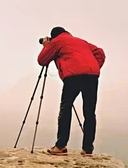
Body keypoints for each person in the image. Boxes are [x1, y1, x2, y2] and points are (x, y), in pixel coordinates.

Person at [37, 27, 105, 156]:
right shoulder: (81, 42)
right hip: (92, 76)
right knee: (89, 112)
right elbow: (100, 52)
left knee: (66, 107)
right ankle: (88, 149)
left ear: (54, 36)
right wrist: (93, 66)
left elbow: (42, 60)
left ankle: (60, 146)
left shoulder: (57, 42)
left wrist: (46, 46)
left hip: (73, 77)